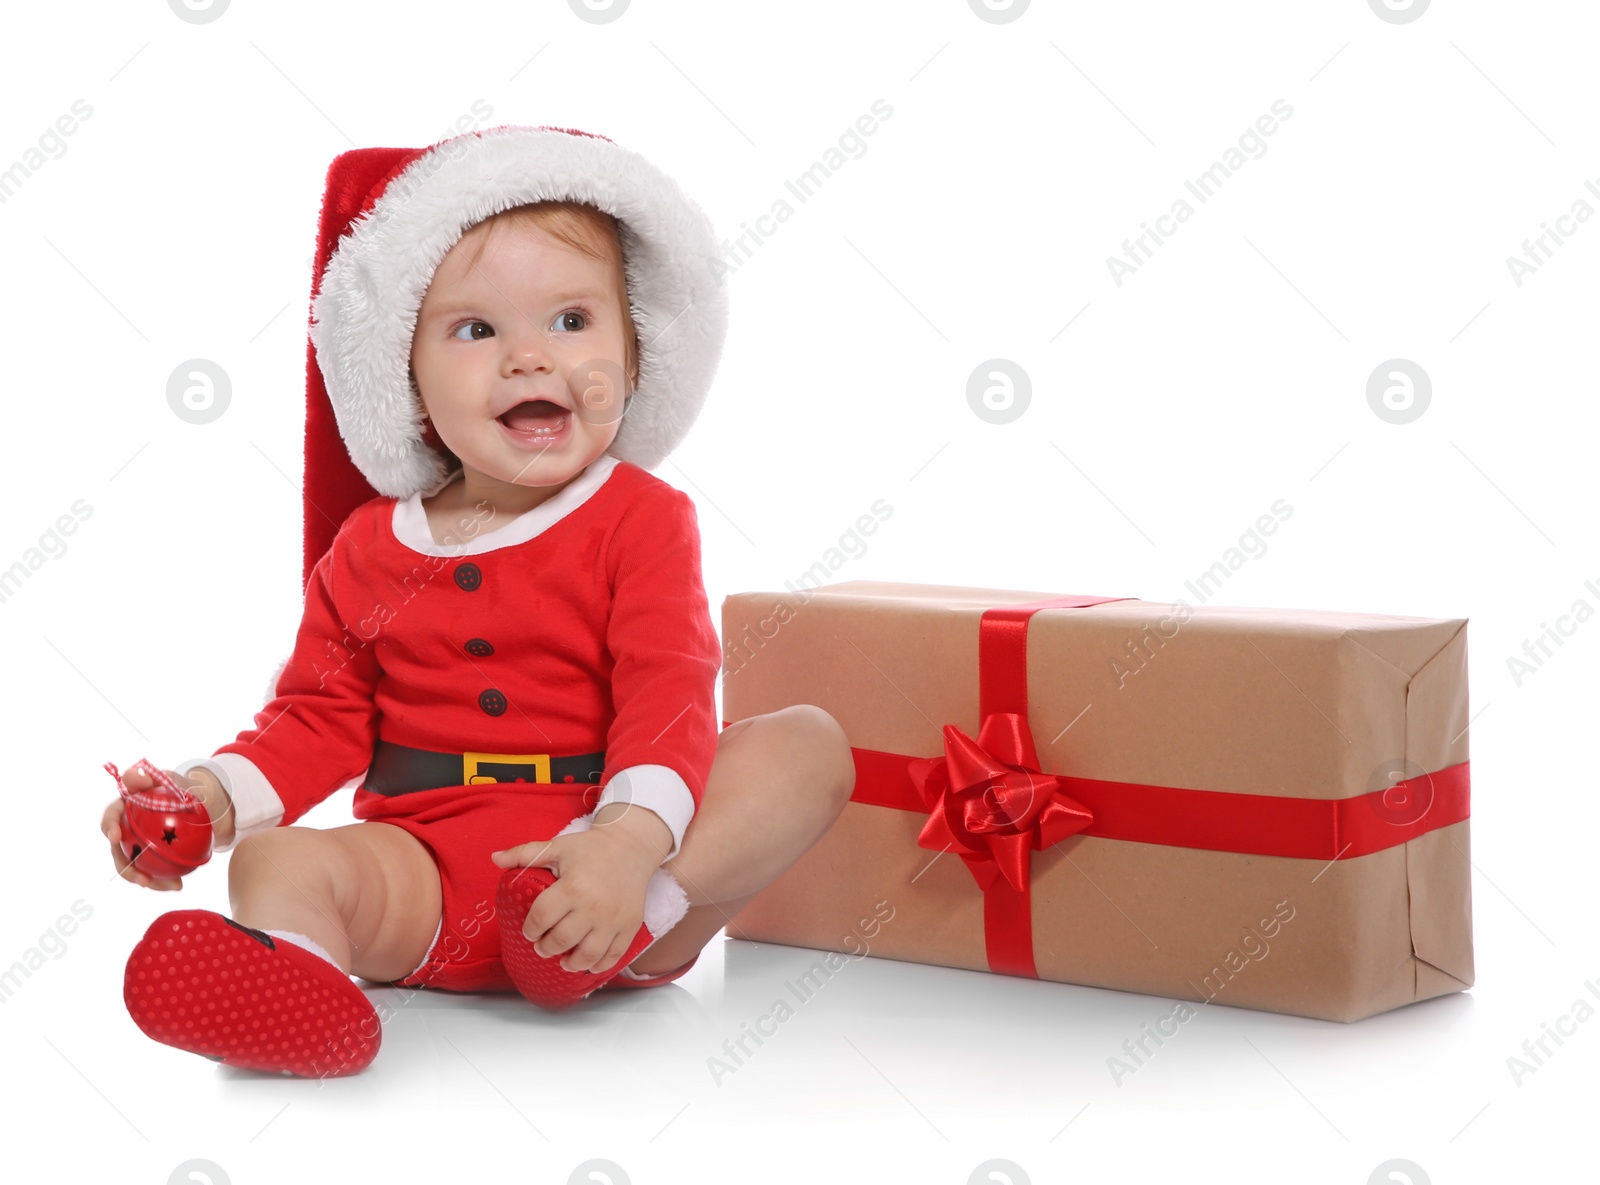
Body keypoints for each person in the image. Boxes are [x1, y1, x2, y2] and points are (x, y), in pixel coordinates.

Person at [101, 125, 857, 1078]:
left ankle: (637, 917)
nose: (532, 358)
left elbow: (668, 687)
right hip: (423, 875)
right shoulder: (370, 547)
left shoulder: (639, 517)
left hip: (608, 863)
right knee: (275, 860)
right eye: (476, 329)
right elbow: (316, 718)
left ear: (634, 357)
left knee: (806, 744)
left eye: (573, 321)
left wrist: (625, 848)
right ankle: (299, 976)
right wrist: (209, 798)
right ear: (402, 376)